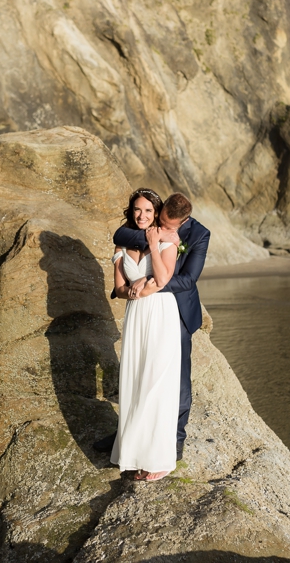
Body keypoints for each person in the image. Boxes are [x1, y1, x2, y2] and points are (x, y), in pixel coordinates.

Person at [96, 191, 210, 463]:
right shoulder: (151, 225)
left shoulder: (199, 235)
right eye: (160, 221)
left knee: (177, 379)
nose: (163, 227)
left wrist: (150, 284)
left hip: (176, 310)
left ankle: (176, 440)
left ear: (183, 222)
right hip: (142, 308)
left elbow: (188, 279)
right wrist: (156, 237)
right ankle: (127, 435)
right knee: (136, 372)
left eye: (170, 226)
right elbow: (122, 237)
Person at [108, 188, 182, 481]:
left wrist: (143, 283)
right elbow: (119, 289)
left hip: (161, 313)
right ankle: (137, 456)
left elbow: (163, 280)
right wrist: (136, 288)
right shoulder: (121, 245)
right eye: (138, 210)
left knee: (156, 384)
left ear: (157, 213)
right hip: (137, 315)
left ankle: (160, 459)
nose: (142, 215)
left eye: (149, 211)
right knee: (135, 382)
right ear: (131, 211)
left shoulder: (166, 241)